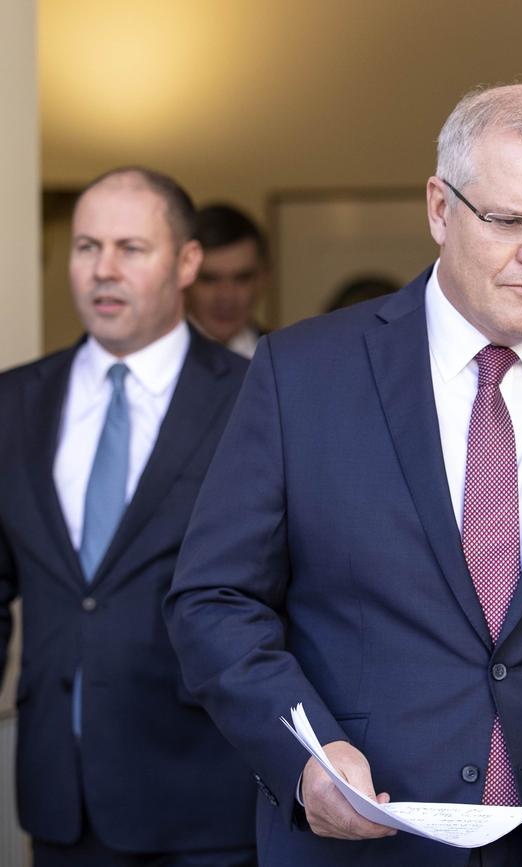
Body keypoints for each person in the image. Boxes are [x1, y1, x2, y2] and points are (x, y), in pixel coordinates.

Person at [165, 83, 522, 867]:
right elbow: (215, 599)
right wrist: (307, 754)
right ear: (439, 208)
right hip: (370, 833)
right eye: (509, 219)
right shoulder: (304, 371)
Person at [0, 167, 257, 866]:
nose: (102, 270)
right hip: (61, 801)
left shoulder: (255, 400)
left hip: (207, 797)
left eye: (129, 248)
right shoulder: (14, 402)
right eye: (86, 247)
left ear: (186, 261)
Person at [185, 204, 269, 358]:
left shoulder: (286, 358)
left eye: (242, 278)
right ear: (184, 278)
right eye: (209, 279)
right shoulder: (156, 360)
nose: (226, 296)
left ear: (262, 279)